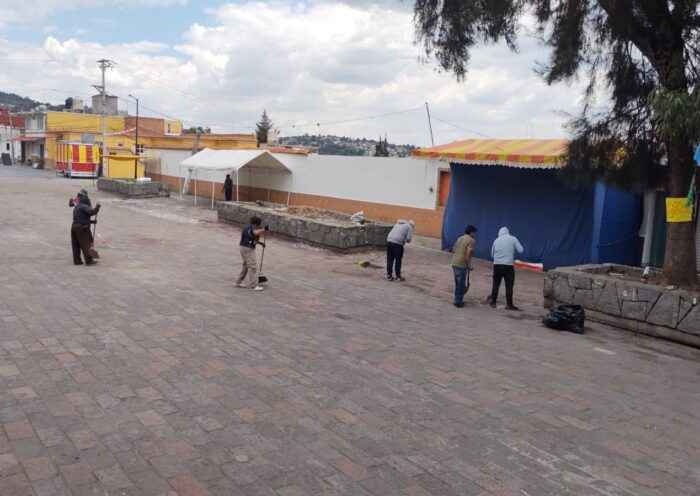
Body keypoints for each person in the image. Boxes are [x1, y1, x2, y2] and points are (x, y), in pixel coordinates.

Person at [489, 227, 524, 310]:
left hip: (497, 265)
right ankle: (509, 304)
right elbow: (521, 250)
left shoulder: (496, 240)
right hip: (508, 266)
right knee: (509, 285)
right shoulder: (513, 239)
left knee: (496, 284)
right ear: (508, 232)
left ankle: (493, 302)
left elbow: (492, 254)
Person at [235, 216, 267, 290]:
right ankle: (253, 285)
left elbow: (254, 240)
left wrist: (260, 243)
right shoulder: (253, 226)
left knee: (246, 266)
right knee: (252, 266)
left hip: (242, 247)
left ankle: (237, 282)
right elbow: (255, 232)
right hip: (248, 248)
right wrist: (264, 229)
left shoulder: (247, 226)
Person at [69, 189, 100, 266]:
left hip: (74, 227)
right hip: (81, 228)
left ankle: (77, 260)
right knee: (85, 243)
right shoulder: (84, 206)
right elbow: (91, 212)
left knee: (75, 245)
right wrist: (97, 208)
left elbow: (81, 218)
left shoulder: (77, 207)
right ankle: (89, 260)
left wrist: (92, 222)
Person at [451, 225, 477, 307]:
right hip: (462, 264)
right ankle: (458, 301)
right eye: (474, 233)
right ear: (471, 232)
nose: (475, 234)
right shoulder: (471, 241)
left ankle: (456, 298)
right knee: (461, 283)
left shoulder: (460, 238)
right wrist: (469, 265)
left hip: (454, 262)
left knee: (457, 282)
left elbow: (453, 250)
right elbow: (468, 254)